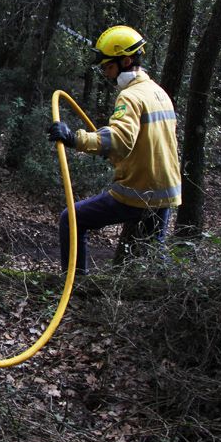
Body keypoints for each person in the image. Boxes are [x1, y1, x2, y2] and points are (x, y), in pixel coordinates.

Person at [46, 25, 181, 275]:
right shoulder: (158, 93)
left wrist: (74, 138)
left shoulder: (130, 96)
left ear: (126, 61)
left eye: (108, 67)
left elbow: (120, 138)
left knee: (72, 219)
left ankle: (75, 286)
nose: (107, 75)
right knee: (154, 258)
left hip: (139, 191)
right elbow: (145, 142)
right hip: (166, 192)